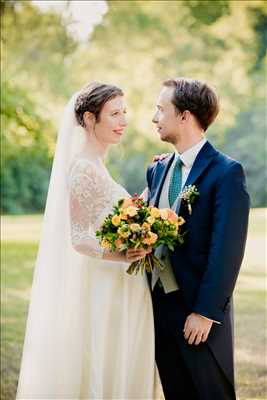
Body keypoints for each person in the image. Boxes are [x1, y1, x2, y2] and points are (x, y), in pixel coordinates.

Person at [16, 83, 162, 399]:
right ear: (89, 119)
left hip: (121, 282)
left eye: (124, 111)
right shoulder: (82, 167)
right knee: (103, 358)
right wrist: (122, 255)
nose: (123, 119)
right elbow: (80, 237)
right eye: (114, 113)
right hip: (104, 284)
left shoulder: (98, 164)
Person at [146, 77, 250, 400]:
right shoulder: (158, 170)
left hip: (198, 314)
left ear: (185, 116)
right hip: (158, 310)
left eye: (161, 109)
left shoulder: (226, 173)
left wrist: (205, 312)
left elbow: (227, 251)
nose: (154, 117)